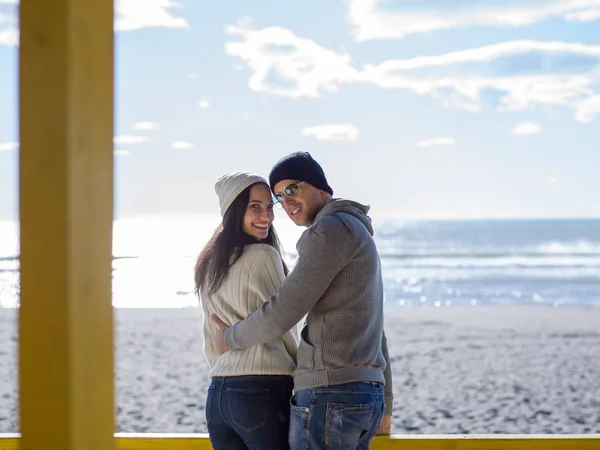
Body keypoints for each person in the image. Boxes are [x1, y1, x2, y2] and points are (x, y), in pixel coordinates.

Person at [211, 152, 393, 450]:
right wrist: (387, 404)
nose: (287, 202)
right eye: (280, 196)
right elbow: (377, 328)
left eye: (293, 189)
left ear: (320, 187)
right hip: (365, 396)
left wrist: (230, 338)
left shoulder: (329, 231)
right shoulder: (358, 231)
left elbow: (285, 310)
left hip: (330, 395)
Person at [194, 172, 300, 450]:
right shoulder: (265, 256)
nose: (266, 215)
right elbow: (284, 323)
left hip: (218, 394)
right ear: (234, 209)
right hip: (264, 389)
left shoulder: (208, 262)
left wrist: (224, 370)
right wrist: (299, 374)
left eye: (269, 206)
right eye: (255, 206)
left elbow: (210, 336)